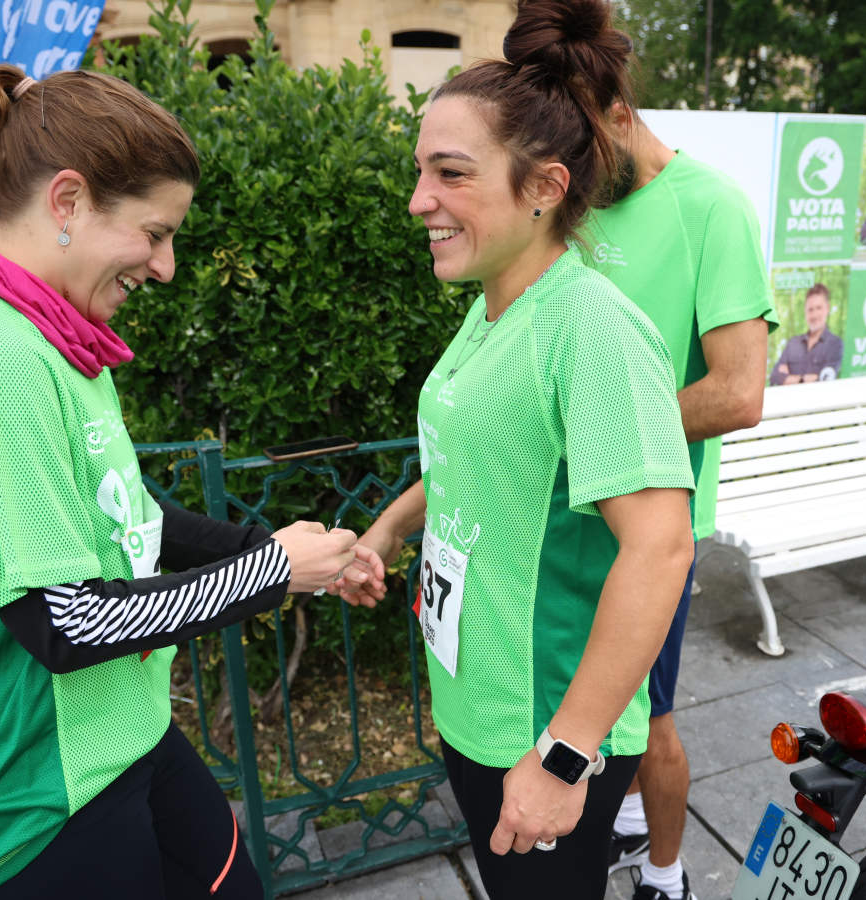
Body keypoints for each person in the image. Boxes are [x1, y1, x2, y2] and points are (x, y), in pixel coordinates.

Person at [0, 65, 385, 900]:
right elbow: (62, 621)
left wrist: (295, 554)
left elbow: (130, 519)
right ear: (69, 202)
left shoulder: (56, 338)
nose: (166, 266)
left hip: (123, 738)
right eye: (155, 233)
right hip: (33, 808)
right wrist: (270, 572)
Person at [332, 2, 696, 896]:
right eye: (421, 171)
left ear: (543, 187)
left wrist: (565, 758)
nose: (420, 200)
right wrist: (386, 531)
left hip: (544, 726)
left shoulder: (593, 329)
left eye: (451, 174)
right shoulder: (494, 303)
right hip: (480, 704)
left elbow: (662, 548)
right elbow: (482, 455)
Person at [578, 78, 774, 900]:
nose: (568, 176)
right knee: (592, 714)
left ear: (620, 113)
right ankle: (624, 827)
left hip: (651, 534)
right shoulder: (574, 189)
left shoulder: (712, 206)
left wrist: (593, 439)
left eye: (581, 149)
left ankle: (668, 874)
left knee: (649, 720)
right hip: (561, 523)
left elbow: (738, 392)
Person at [769, 284, 841, 386]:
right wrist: (803, 380)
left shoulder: (835, 343)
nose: (814, 315)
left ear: (827, 308)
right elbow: (775, 377)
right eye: (810, 309)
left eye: (819, 308)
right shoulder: (793, 343)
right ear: (805, 312)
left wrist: (789, 379)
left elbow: (826, 379)